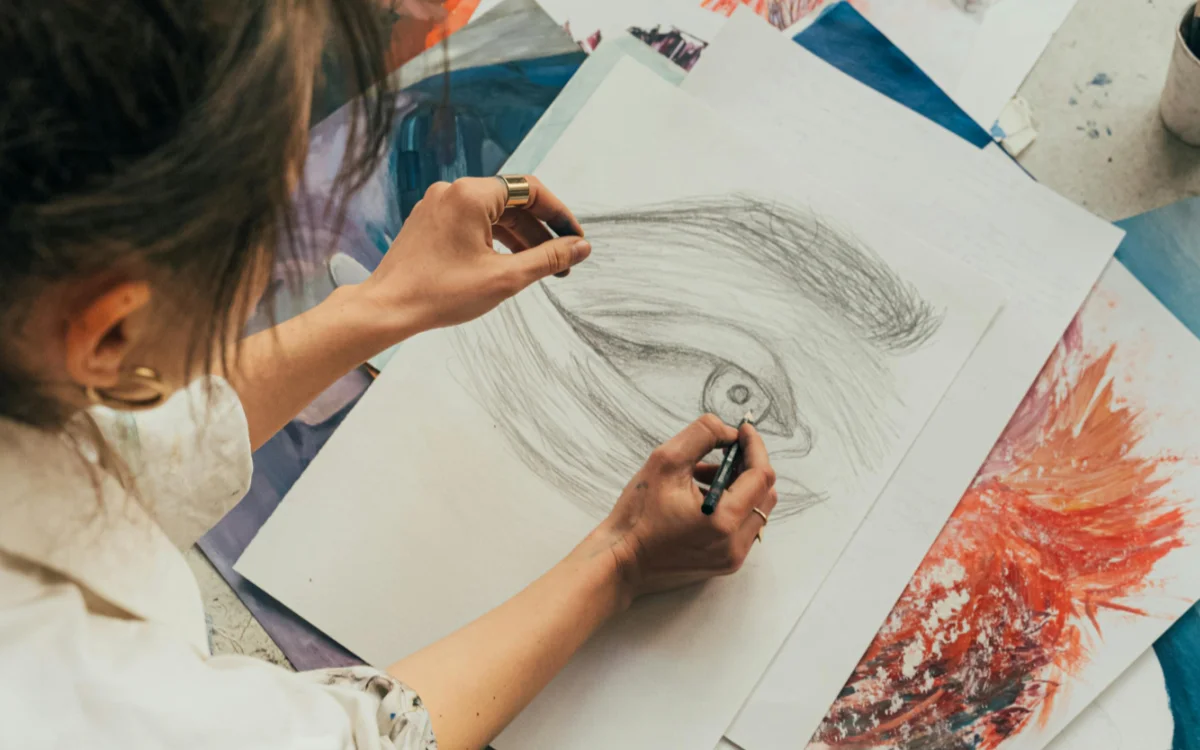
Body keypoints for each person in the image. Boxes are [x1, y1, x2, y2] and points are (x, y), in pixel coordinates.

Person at [0, 2, 777, 749]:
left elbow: (105, 450)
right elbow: (356, 739)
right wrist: (623, 558)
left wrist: (382, 303)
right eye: (262, 222)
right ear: (108, 332)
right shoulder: (68, 698)